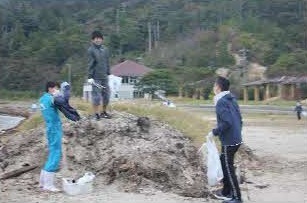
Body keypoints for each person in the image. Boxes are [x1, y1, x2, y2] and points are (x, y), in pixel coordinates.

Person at [209, 76, 243, 203]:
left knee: (228, 168)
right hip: (235, 138)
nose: (213, 88)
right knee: (223, 162)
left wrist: (214, 132)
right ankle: (226, 191)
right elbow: (239, 119)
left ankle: (237, 197)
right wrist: (237, 133)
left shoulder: (221, 101)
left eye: (214, 85)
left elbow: (227, 122)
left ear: (218, 87)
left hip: (230, 141)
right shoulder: (231, 99)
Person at [38, 81, 62, 192]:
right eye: (56, 88)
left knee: (52, 153)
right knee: (56, 154)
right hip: (54, 128)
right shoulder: (51, 99)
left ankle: (42, 182)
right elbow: (62, 102)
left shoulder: (42, 99)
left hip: (49, 127)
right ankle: (48, 185)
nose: (57, 91)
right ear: (50, 89)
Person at [87, 30, 111, 120]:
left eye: (99, 38)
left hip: (104, 76)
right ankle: (96, 114)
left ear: (102, 40)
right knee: (96, 96)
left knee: (107, 95)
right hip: (95, 77)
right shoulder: (91, 50)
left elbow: (107, 62)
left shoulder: (105, 49)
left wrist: (109, 73)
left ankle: (104, 112)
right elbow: (90, 64)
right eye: (96, 39)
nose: (98, 40)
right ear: (92, 40)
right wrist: (89, 77)